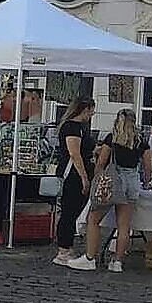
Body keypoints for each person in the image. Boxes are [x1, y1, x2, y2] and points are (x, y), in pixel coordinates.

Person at [65, 108, 151, 272]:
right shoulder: (141, 141)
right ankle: (117, 262)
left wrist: (97, 179)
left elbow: (101, 162)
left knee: (93, 219)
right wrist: (146, 182)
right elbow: (148, 166)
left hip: (113, 181)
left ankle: (90, 258)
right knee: (124, 226)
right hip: (132, 182)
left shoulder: (112, 138)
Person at [52, 95, 97, 266]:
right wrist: (84, 177)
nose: (91, 115)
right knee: (69, 211)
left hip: (81, 171)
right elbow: (74, 154)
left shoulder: (81, 128)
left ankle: (67, 247)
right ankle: (63, 250)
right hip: (72, 174)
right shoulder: (72, 127)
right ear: (85, 109)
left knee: (73, 210)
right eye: (91, 111)